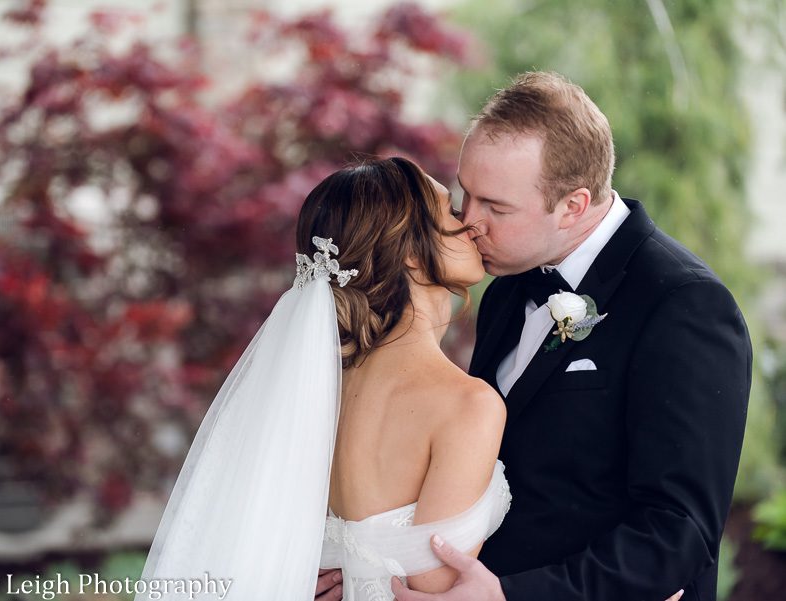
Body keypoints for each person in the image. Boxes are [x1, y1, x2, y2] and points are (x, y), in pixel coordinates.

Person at [381, 72, 751, 601]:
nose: (468, 222)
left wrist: (512, 596)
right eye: (467, 194)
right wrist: (366, 561)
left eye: (496, 207)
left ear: (574, 206)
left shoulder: (683, 305)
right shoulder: (508, 287)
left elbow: (679, 532)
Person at [136, 157, 511, 601]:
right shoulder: (468, 405)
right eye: (450, 211)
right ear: (410, 254)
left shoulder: (307, 392)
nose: (468, 224)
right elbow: (434, 584)